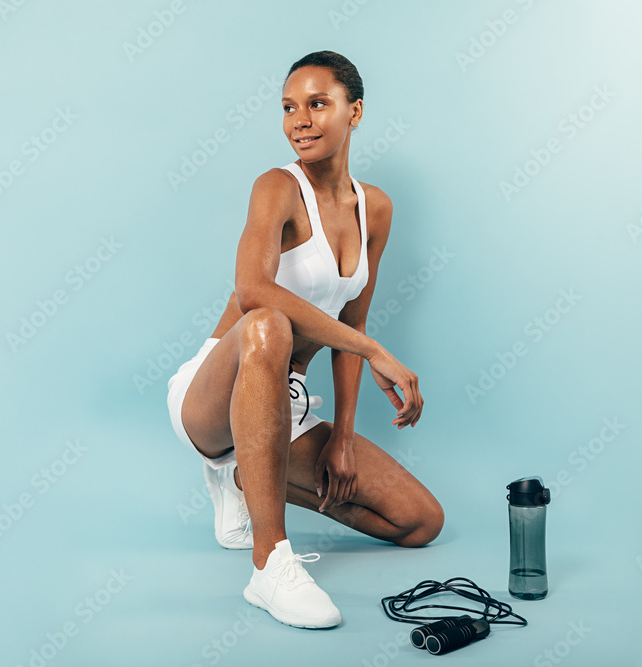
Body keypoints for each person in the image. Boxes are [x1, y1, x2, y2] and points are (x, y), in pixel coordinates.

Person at [166, 50, 443, 629]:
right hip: (214, 391)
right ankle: (271, 566)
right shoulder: (277, 187)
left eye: (319, 104)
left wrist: (342, 436)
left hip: (280, 403)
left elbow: (353, 328)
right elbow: (251, 291)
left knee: (420, 521)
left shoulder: (376, 209)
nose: (301, 120)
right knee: (269, 321)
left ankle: (249, 478)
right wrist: (376, 354)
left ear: (355, 111)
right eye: (290, 107)